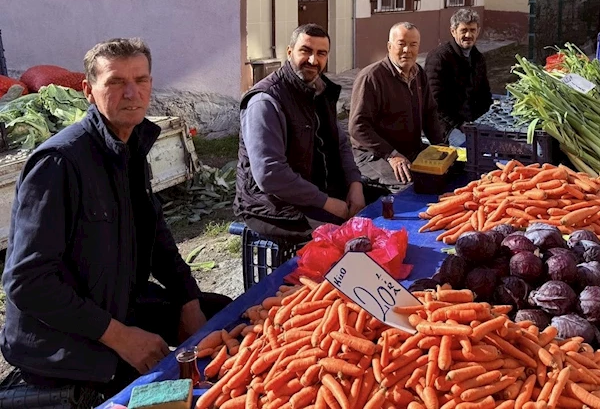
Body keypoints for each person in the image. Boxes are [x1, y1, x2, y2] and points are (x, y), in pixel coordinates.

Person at [1, 38, 231, 397]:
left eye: (140, 80)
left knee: (225, 319)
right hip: (61, 340)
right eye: (115, 82)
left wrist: (188, 301)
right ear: (88, 91)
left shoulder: (131, 144)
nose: (131, 93)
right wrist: (122, 337)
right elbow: (27, 282)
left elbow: (156, 237)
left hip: (119, 302)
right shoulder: (59, 163)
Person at [234, 24, 365, 241]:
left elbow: (340, 143)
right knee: (345, 239)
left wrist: (355, 184)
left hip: (317, 191)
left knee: (382, 211)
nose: (313, 60)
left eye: (321, 53)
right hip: (271, 206)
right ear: (289, 52)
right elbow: (270, 174)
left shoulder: (320, 90)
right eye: (306, 51)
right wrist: (328, 203)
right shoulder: (265, 100)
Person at [349, 22, 444, 191]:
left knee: (449, 172)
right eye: (401, 44)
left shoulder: (418, 73)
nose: (407, 50)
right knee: (411, 187)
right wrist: (391, 155)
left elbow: (429, 112)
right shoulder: (371, 77)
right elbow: (358, 126)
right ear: (389, 46)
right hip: (375, 155)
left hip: (410, 150)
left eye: (413, 45)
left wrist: (441, 146)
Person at [424, 8, 492, 147]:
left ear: (478, 31)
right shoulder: (439, 58)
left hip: (470, 121)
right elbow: (435, 102)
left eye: (472, 30)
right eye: (464, 30)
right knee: (470, 148)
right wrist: (460, 125)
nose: (468, 35)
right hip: (445, 126)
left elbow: (484, 95)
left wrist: (484, 119)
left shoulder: (477, 58)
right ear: (453, 31)